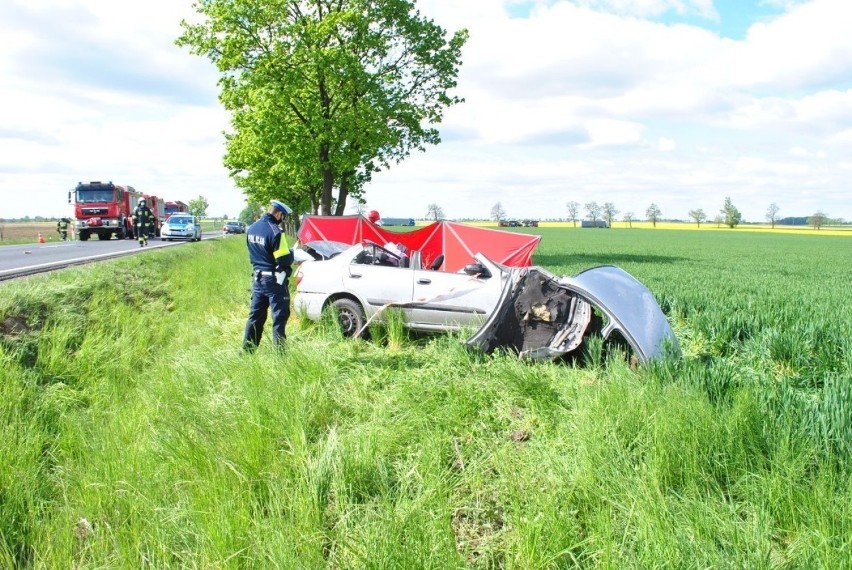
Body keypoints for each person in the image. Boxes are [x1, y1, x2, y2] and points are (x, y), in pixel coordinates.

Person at [243, 199, 295, 352]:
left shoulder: (252, 228)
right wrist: (291, 253)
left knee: (255, 317)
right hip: (274, 281)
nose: (282, 220)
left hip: (257, 279)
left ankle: (248, 351)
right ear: (279, 214)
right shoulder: (276, 232)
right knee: (279, 317)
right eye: (282, 216)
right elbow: (283, 259)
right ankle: (280, 354)